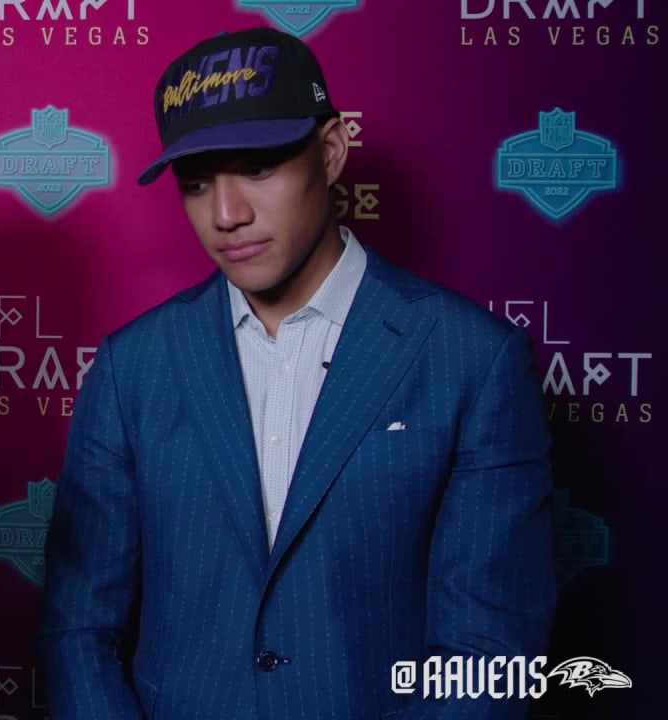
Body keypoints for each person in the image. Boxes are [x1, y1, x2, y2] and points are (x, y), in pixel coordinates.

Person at [37, 27, 556, 719]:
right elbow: (78, 626)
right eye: (197, 184)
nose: (227, 215)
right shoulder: (134, 366)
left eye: (257, 168)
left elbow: (489, 650)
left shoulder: (472, 359)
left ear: (334, 151)